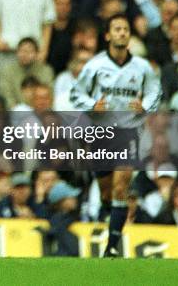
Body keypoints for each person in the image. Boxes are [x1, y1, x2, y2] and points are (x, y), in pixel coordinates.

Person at [70, 14, 161, 257]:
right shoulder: (95, 65)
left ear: (129, 35)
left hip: (129, 131)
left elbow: (155, 92)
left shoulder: (142, 67)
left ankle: (111, 247)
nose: (121, 32)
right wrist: (92, 105)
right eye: (117, 29)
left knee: (122, 186)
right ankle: (109, 217)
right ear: (108, 35)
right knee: (107, 191)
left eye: (125, 29)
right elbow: (75, 94)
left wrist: (146, 106)